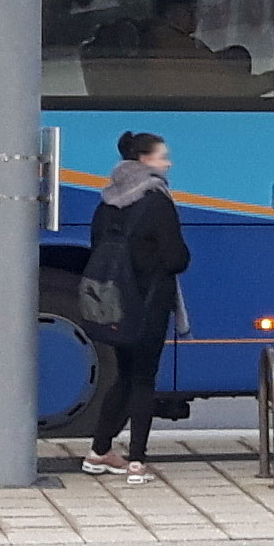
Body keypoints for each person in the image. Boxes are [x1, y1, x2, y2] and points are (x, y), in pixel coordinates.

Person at [80, 130, 192, 482]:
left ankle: (99, 452)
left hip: (114, 303)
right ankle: (137, 462)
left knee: (124, 375)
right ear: (144, 161)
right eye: (162, 156)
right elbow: (177, 258)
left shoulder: (107, 200)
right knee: (144, 379)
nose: (168, 162)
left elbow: (95, 244)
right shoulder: (156, 199)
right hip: (149, 300)